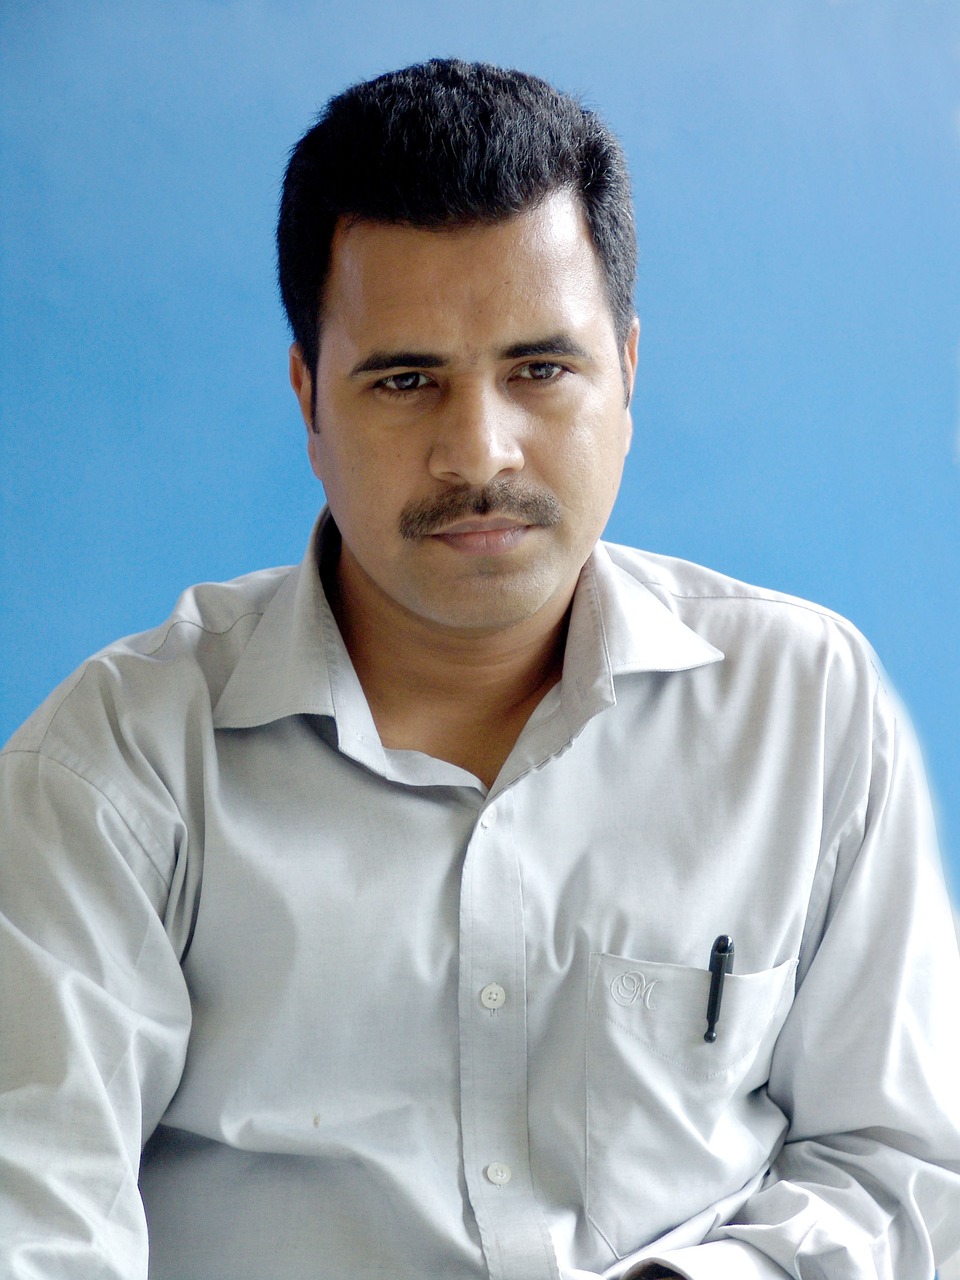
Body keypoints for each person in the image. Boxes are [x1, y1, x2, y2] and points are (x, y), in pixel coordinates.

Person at [1, 58, 958, 1280]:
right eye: (406, 380)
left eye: (539, 369)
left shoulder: (805, 707)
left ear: (627, 372)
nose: (479, 450)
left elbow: (900, 1165)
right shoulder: (116, 763)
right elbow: (33, 1219)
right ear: (308, 397)